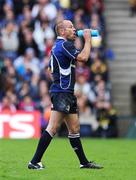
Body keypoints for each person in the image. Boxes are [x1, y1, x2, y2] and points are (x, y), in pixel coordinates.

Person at [28, 20, 103, 170]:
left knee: (74, 129)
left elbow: (51, 70)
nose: (74, 29)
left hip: (65, 92)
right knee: (53, 127)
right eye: (71, 27)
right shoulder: (64, 45)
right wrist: (88, 39)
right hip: (62, 93)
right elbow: (83, 58)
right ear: (62, 31)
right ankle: (34, 162)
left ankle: (84, 163)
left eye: (74, 27)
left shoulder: (57, 46)